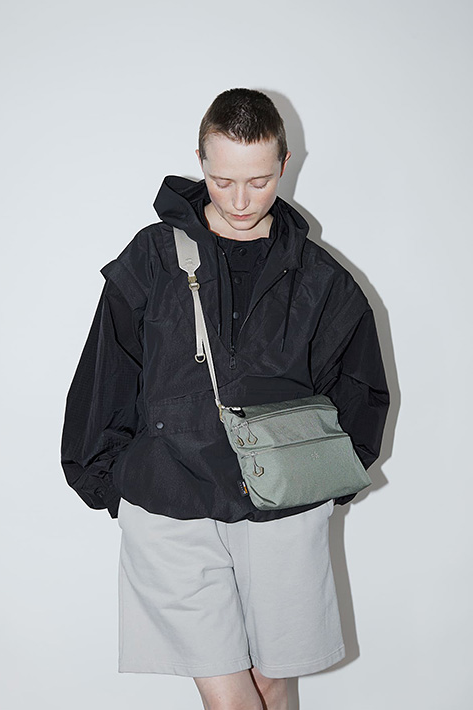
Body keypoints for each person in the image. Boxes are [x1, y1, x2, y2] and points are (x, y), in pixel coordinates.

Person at [61, 88, 389, 710]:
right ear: (200, 162)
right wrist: (110, 483)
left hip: (282, 509)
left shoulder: (322, 280)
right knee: (232, 700)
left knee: (273, 686)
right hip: (170, 502)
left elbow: (362, 391)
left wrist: (327, 484)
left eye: (259, 181)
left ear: (285, 163)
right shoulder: (153, 258)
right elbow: (106, 373)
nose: (240, 201)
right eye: (222, 181)